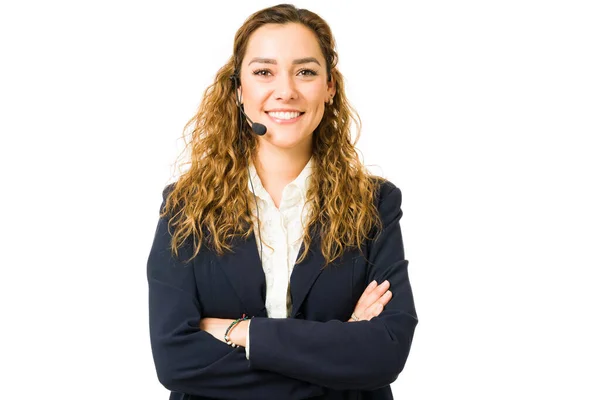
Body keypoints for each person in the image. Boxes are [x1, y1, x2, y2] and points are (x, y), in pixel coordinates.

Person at [147, 4, 418, 399]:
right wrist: (339, 352)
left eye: (306, 71)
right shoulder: (186, 206)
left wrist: (242, 332)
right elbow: (176, 360)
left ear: (330, 87)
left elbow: (385, 353)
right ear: (239, 89)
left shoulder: (374, 204)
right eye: (263, 72)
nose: (286, 90)